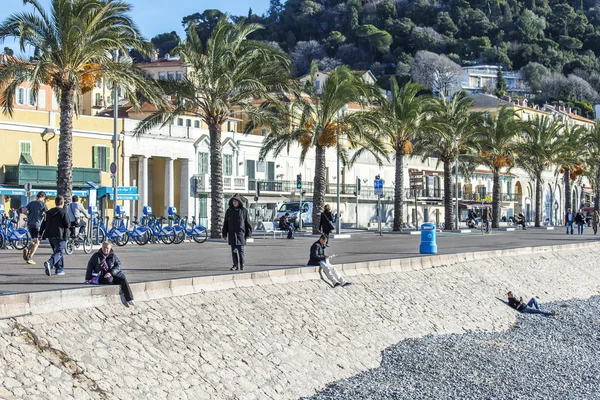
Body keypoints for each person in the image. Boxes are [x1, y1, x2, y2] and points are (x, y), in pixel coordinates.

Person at [222, 194, 252, 271]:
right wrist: (224, 234)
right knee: (234, 250)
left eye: (236, 201)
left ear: (239, 202)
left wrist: (248, 234)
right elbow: (225, 223)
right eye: (233, 201)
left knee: (241, 249)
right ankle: (235, 265)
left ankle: (242, 263)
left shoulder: (244, 211)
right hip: (232, 233)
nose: (234, 202)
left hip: (241, 233)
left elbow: (247, 223)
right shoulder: (229, 211)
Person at [43, 196, 70, 276]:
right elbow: (67, 224)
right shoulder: (63, 212)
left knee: (57, 252)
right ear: (62, 203)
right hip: (61, 235)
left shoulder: (49, 212)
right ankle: (50, 263)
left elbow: (44, 223)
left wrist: (41, 233)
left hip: (51, 235)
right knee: (59, 251)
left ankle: (59, 269)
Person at [22, 191, 47, 265]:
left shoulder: (31, 203)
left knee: (33, 239)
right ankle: (30, 257)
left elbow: (24, 210)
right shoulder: (42, 204)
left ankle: (27, 249)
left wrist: (28, 214)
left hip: (30, 224)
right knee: (37, 242)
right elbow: (46, 213)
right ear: (43, 197)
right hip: (37, 224)